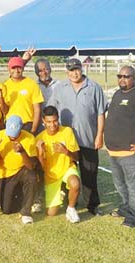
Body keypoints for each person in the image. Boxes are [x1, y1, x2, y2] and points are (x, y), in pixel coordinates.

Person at [49, 58, 107, 216]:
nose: (74, 73)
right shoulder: (60, 88)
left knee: (89, 173)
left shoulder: (94, 87)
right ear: (66, 72)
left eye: (76, 69)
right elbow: (51, 110)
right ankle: (66, 202)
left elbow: (101, 113)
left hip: (88, 138)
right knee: (65, 172)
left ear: (81, 69)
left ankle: (92, 205)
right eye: (70, 70)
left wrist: (99, 135)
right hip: (66, 142)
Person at [105, 66, 135, 228]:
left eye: (126, 76)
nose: (122, 79)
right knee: (120, 184)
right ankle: (127, 207)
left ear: (134, 77)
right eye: (119, 76)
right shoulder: (118, 94)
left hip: (132, 153)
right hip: (114, 151)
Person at [0, 115, 38, 224]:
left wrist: (22, 152)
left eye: (15, 134)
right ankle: (24, 196)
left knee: (31, 176)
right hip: (5, 175)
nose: (12, 137)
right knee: (7, 210)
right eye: (10, 134)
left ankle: (26, 212)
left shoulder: (29, 138)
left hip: (22, 171)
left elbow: (31, 167)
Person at [35, 106, 81, 223]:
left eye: (55, 121)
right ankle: (62, 192)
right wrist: (40, 153)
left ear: (58, 119)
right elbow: (40, 168)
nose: (52, 125)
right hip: (51, 176)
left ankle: (71, 209)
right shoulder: (39, 138)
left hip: (67, 169)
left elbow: (77, 157)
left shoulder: (67, 131)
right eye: (49, 122)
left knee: (75, 183)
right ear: (43, 121)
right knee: (51, 213)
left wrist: (66, 151)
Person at [4, 57, 45, 135]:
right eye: (13, 68)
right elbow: (5, 109)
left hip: (27, 124)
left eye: (19, 67)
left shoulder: (31, 84)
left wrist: (33, 130)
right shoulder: (5, 85)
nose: (16, 71)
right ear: (8, 69)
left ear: (23, 68)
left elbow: (37, 109)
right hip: (11, 125)